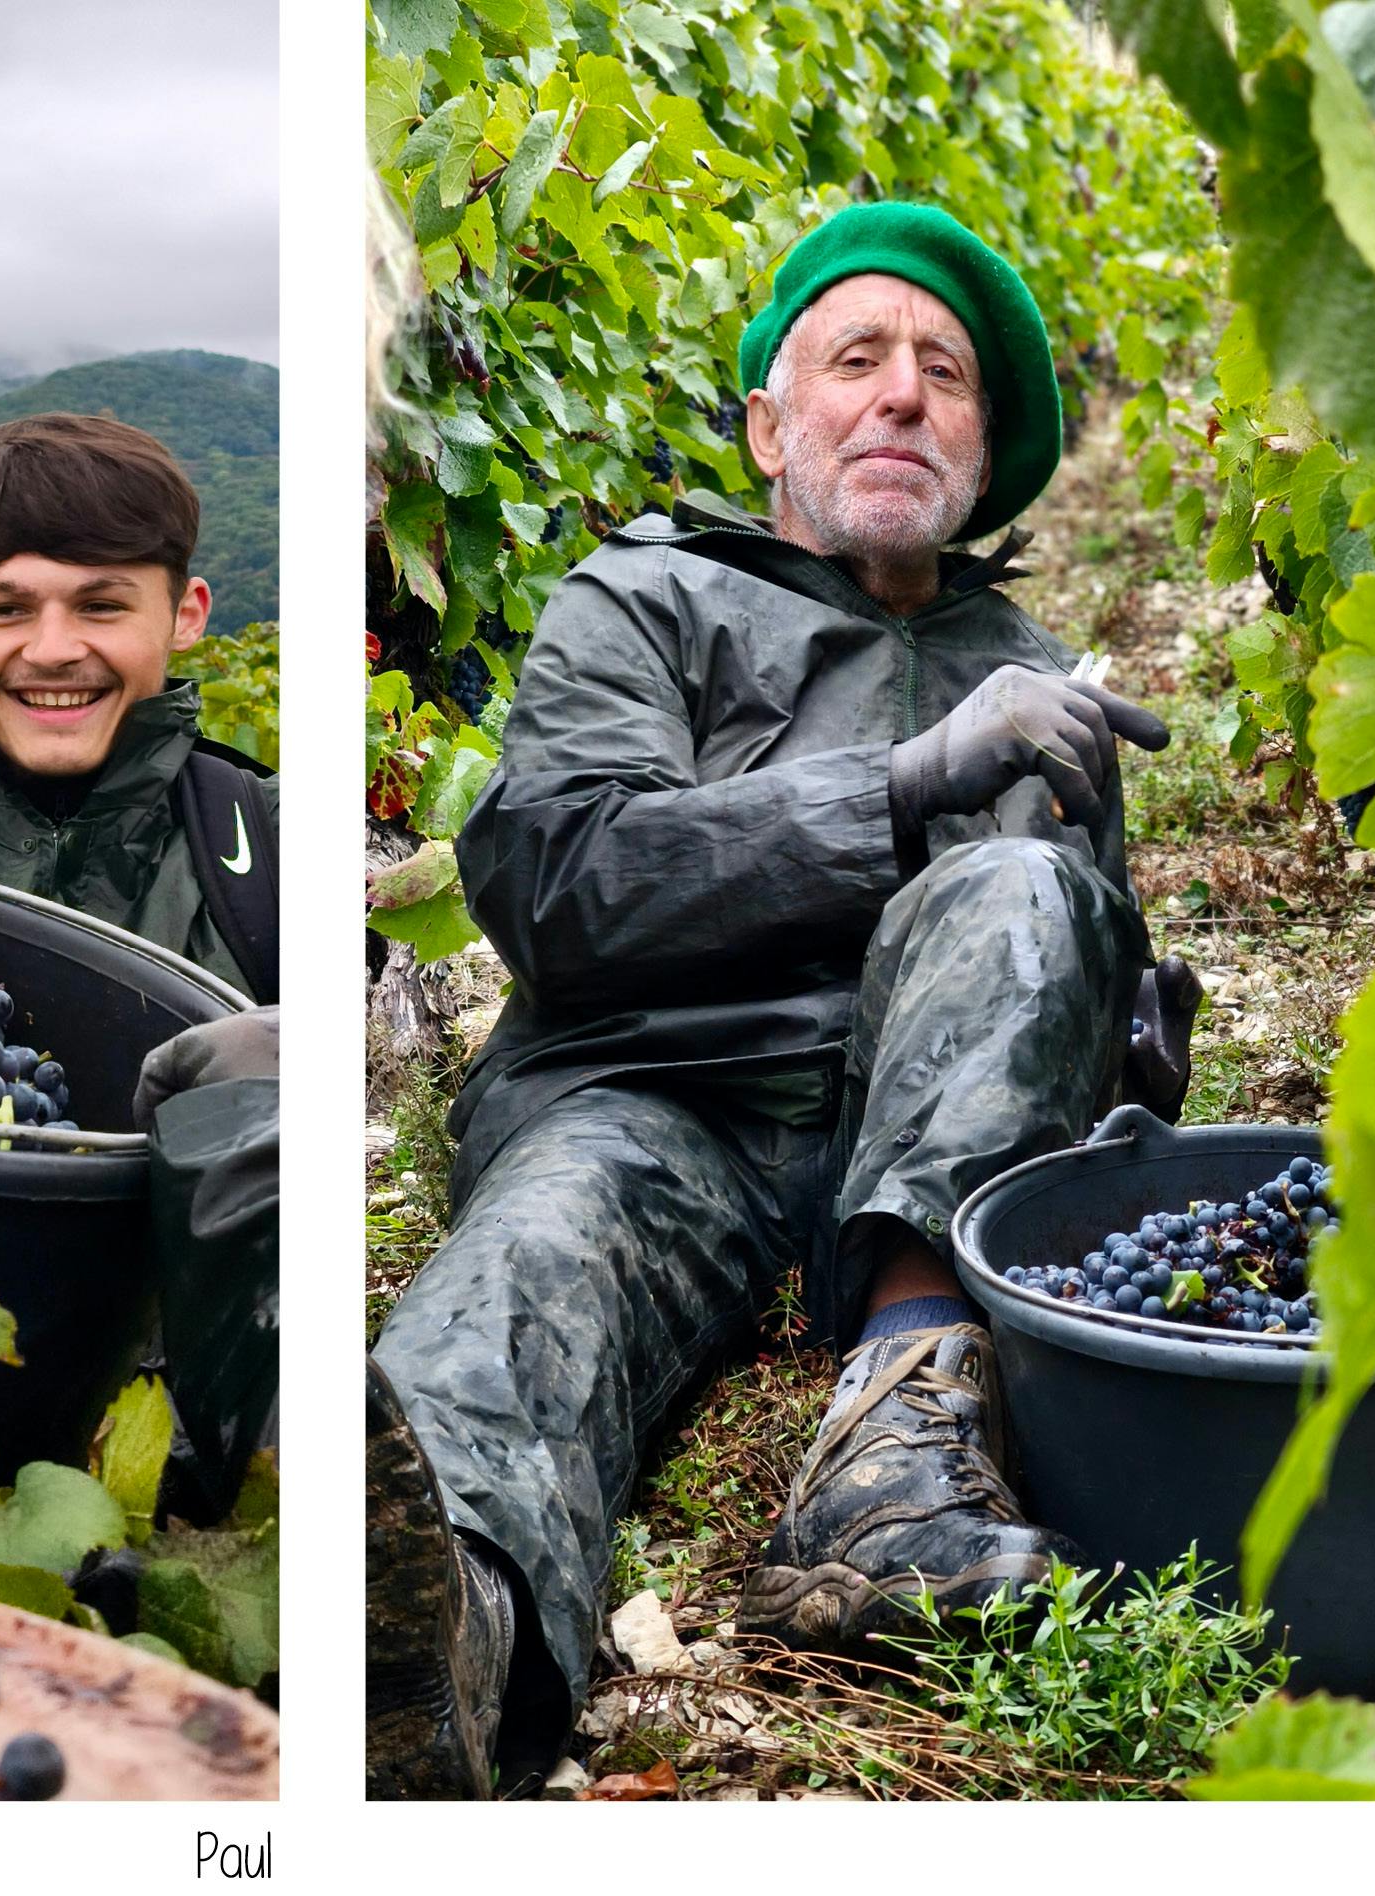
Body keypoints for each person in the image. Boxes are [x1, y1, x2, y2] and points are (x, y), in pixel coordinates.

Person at [364, 202, 1199, 1798]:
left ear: (983, 443)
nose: (902, 397)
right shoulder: (647, 598)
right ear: (767, 424)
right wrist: (901, 786)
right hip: (648, 1099)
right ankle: (436, 1636)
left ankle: (889, 1471)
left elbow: (1036, 980)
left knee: (1031, 896)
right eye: (857, 359)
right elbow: (556, 881)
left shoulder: (1035, 670)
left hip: (919, 1155)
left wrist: (1121, 1042)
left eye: (945, 374)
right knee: (531, 1275)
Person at [0, 411, 283, 1508]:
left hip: (201, 1468)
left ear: (185, 615)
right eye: (6, 608)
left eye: (102, 604)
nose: (52, 649)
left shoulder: (273, 857)